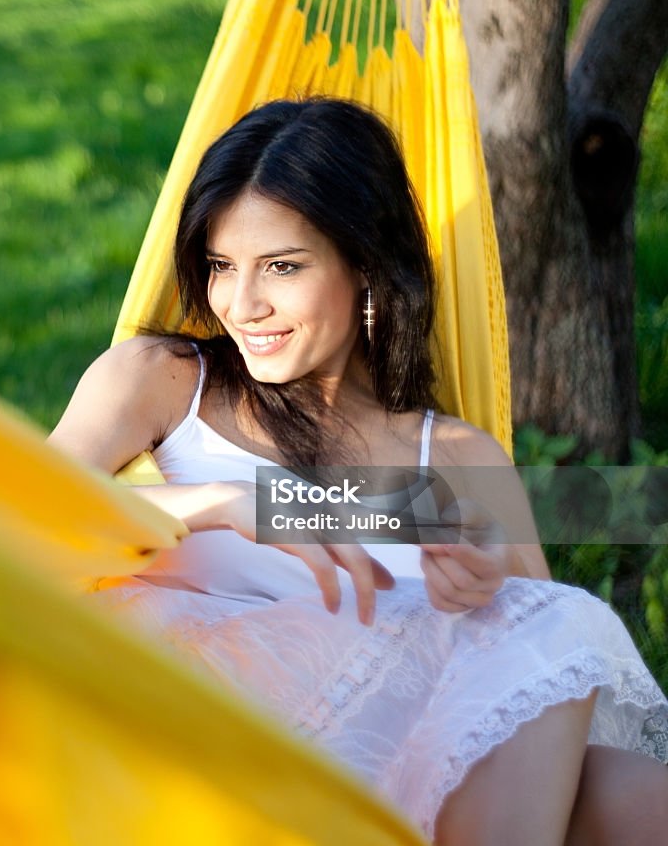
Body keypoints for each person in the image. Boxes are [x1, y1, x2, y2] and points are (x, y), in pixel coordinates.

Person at [49, 98, 668, 845]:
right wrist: (220, 501)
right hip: (215, 749)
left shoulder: (458, 459)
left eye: (282, 266)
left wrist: (479, 586)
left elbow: (537, 668)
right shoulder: (165, 382)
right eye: (221, 266)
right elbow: (8, 523)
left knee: (641, 790)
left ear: (366, 266)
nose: (241, 304)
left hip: (405, 766)